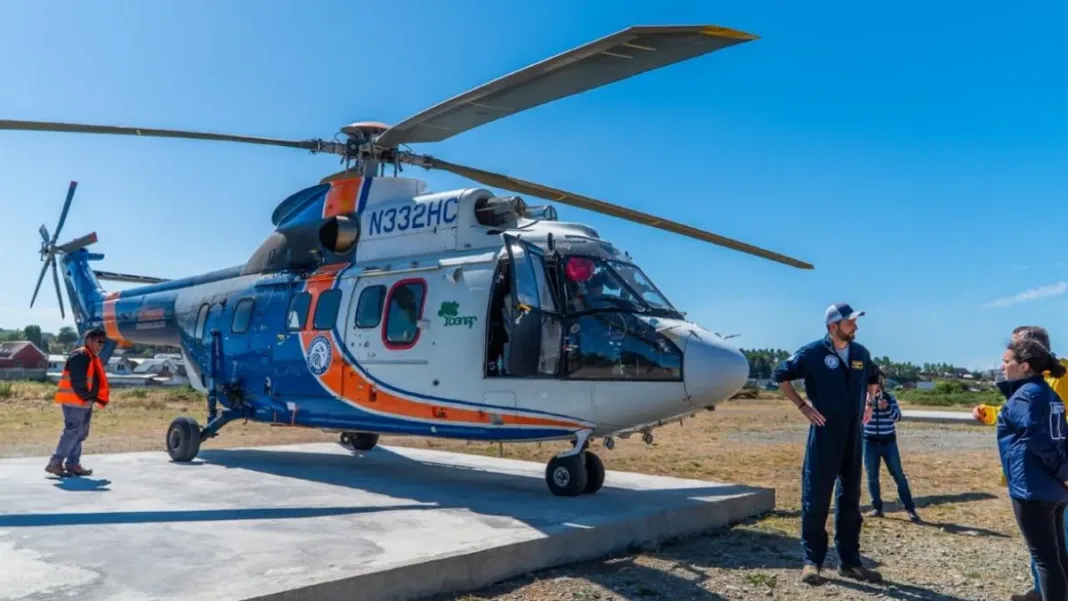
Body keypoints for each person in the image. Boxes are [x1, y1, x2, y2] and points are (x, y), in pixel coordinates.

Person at [773, 303, 882, 585]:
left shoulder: (861, 353)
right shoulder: (812, 353)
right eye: (849, 323)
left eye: (855, 323)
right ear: (833, 326)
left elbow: (873, 377)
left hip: (853, 434)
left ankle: (850, 562)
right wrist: (802, 406)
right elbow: (780, 375)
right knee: (816, 498)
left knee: (850, 500)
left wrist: (870, 401)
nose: (855, 327)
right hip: (824, 433)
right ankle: (812, 562)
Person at [972, 326, 1068, 601]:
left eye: (1006, 362)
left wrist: (1064, 471)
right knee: (1058, 557)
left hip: (1032, 490)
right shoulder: (1048, 395)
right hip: (1053, 490)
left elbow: (1039, 440)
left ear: (1024, 365)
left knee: (1046, 561)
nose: (1001, 367)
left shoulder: (1026, 395)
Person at [45, 327, 110, 477]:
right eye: (98, 342)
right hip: (75, 402)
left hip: (83, 402)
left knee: (79, 434)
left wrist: (91, 399)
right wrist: (86, 397)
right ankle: (55, 462)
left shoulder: (90, 356)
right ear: (89, 340)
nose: (100, 346)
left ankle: (73, 464)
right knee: (72, 432)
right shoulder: (81, 355)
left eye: (103, 343)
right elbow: (78, 380)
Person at [863, 368, 920, 523]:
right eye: (873, 382)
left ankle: (910, 509)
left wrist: (886, 407)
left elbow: (898, 417)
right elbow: (859, 419)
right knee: (872, 477)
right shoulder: (863, 399)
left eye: (879, 382)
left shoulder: (890, 397)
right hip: (869, 442)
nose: (877, 385)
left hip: (889, 442)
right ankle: (877, 508)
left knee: (898, 476)